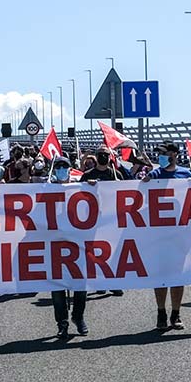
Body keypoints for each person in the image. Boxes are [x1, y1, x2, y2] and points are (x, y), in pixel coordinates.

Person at [142, 142, 191, 330]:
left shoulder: (185, 175)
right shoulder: (154, 175)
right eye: (159, 154)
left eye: (164, 153)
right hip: (158, 235)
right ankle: (161, 311)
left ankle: (176, 314)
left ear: (175, 154)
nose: (160, 157)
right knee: (161, 276)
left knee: (177, 277)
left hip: (179, 235)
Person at [48, 156, 88, 338]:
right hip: (54, 245)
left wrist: (93, 188)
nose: (62, 169)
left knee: (80, 285)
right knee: (57, 288)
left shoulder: (80, 187)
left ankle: (78, 317)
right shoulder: (45, 189)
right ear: (53, 170)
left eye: (65, 166)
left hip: (77, 244)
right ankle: (62, 323)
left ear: (71, 169)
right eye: (58, 167)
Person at [82, 145, 124, 296]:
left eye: (105, 154)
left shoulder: (116, 174)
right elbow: (78, 195)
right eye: (100, 154)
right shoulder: (87, 175)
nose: (102, 157)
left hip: (112, 219)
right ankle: (100, 282)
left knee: (114, 252)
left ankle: (113, 283)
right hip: (94, 219)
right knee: (97, 252)